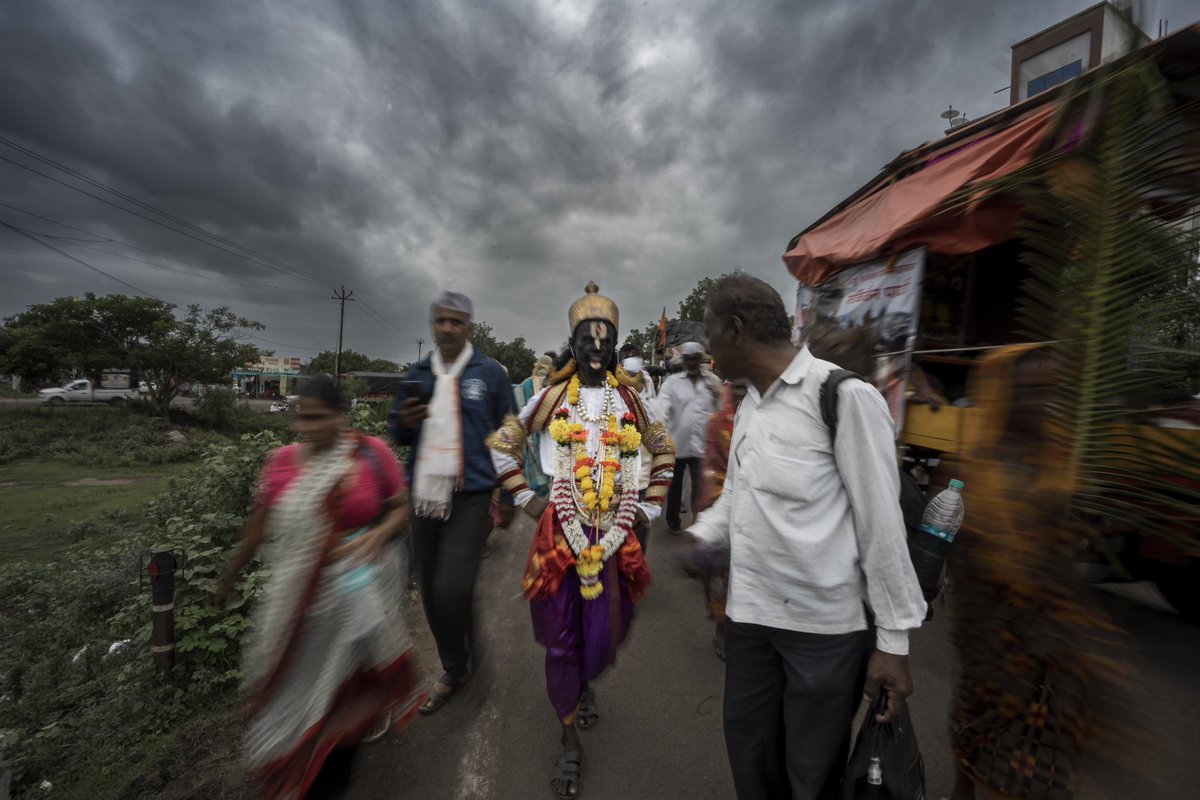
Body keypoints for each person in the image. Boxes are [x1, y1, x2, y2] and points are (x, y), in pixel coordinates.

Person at [686, 274, 927, 800]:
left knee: (810, 775)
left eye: (711, 334)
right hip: (750, 622)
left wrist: (893, 644)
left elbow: (882, 527)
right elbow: (739, 495)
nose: (708, 350)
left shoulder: (842, 397)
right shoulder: (751, 403)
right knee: (750, 759)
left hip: (823, 634)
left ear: (736, 329)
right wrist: (704, 535)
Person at [487, 282, 675, 799]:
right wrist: (527, 499)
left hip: (617, 533)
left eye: (605, 340)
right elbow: (505, 445)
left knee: (606, 631)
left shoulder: (632, 400)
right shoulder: (550, 400)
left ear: (614, 346)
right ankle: (569, 738)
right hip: (559, 530)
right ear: (573, 345)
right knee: (561, 636)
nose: (596, 348)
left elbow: (663, 452)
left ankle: (584, 681)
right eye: (586, 340)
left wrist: (649, 506)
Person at [218, 375, 423, 800]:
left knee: (341, 694)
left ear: (341, 416)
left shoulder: (370, 453)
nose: (309, 427)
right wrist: (229, 575)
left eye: (319, 417)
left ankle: (331, 765)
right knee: (293, 691)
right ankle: (303, 760)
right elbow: (259, 527)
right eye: (303, 417)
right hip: (297, 604)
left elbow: (400, 510)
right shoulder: (281, 463)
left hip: (360, 594)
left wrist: (377, 535)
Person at [947, 345, 1123, 800]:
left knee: (1038, 738)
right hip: (988, 633)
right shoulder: (974, 467)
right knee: (975, 720)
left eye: (1047, 393)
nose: (1037, 404)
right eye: (1026, 392)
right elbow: (958, 555)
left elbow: (1061, 547)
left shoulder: (1053, 459)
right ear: (1001, 392)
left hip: (1046, 633)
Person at [388, 290, 515, 714]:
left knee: (453, 586)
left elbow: (510, 434)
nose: (446, 328)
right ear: (433, 325)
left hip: (472, 494)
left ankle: (474, 657)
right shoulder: (418, 373)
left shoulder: (489, 374)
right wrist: (404, 425)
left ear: (469, 327)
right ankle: (453, 667)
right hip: (424, 495)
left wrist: (513, 493)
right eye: (440, 321)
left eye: (455, 322)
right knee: (428, 589)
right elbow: (400, 431)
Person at [695, 378, 750, 661]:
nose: (741, 393)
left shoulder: (764, 418)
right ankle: (722, 628)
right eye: (736, 388)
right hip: (723, 507)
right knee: (721, 575)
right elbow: (710, 469)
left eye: (746, 387)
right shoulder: (717, 423)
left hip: (758, 516)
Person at [657, 341, 721, 533]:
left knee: (699, 486)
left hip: (702, 444)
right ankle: (673, 522)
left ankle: (698, 523)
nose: (692, 362)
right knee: (675, 487)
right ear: (683, 360)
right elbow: (662, 410)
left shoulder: (712, 382)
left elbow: (718, 410)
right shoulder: (672, 384)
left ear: (701, 359)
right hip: (677, 443)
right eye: (689, 358)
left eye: (696, 358)